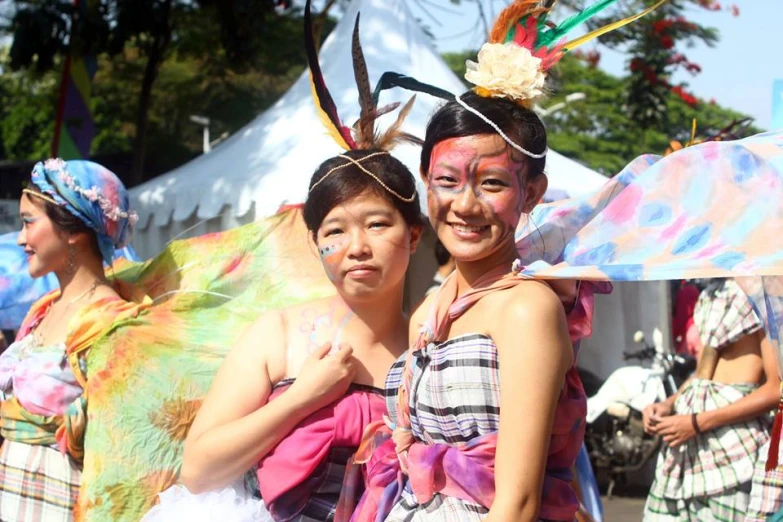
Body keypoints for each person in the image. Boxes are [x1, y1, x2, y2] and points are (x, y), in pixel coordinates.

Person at [141, 6, 424, 521]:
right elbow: (199, 470)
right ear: (316, 243)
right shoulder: (278, 335)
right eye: (335, 231)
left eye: (378, 225)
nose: (357, 246)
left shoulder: (430, 348)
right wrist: (301, 399)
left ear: (415, 235)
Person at [0, 158, 145, 522]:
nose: (20, 238)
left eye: (28, 222)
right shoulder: (42, 310)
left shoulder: (113, 323)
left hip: (60, 504)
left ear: (72, 230)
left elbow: (123, 447)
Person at [643, 279, 780, 521]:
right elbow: (701, 376)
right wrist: (668, 403)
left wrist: (698, 423)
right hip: (683, 458)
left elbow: (776, 388)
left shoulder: (764, 291)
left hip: (733, 453)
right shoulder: (710, 294)